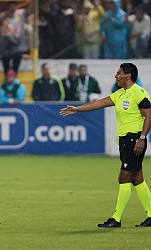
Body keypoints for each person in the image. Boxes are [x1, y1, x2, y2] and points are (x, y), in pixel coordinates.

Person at [60, 63, 151, 227]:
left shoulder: (139, 93)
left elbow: (149, 116)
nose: (116, 76)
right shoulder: (120, 94)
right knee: (137, 178)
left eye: (118, 73)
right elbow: (100, 103)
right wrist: (77, 109)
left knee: (124, 177)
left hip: (134, 139)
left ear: (127, 76)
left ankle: (116, 219)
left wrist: (142, 138)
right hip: (126, 140)